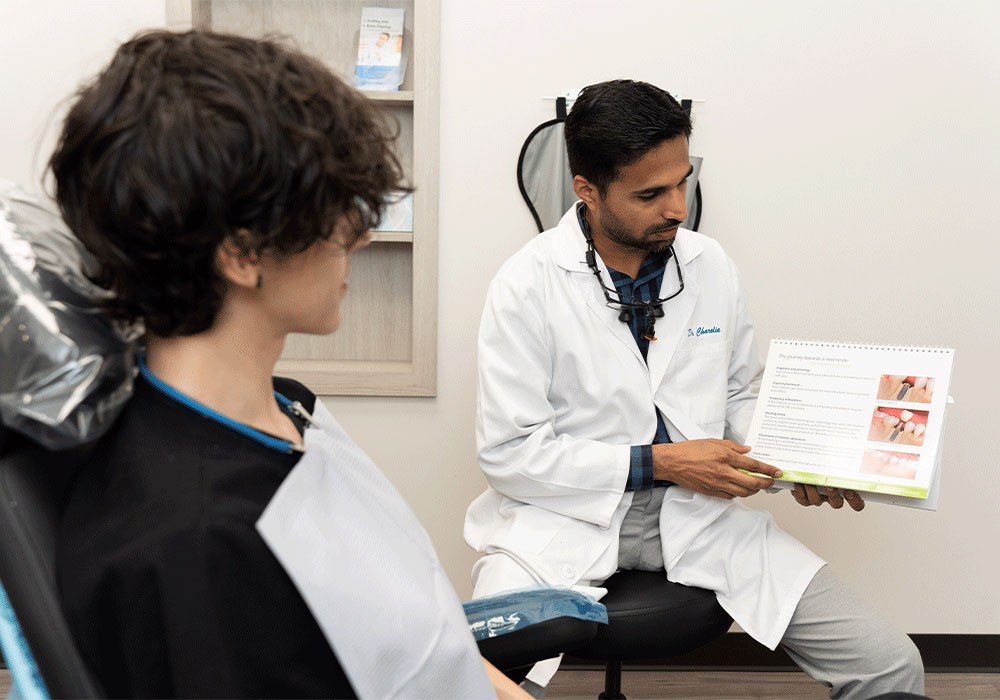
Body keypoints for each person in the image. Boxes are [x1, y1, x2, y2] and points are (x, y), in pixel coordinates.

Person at [52, 29, 529, 700]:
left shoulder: (285, 409)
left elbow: (422, 636)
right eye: (335, 212)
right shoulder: (195, 546)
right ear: (243, 251)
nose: (360, 237)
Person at [464, 79, 924, 699]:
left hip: (699, 523)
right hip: (560, 523)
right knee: (465, 684)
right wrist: (659, 462)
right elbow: (509, 454)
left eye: (683, 181)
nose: (677, 207)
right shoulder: (526, 284)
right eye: (651, 193)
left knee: (889, 664)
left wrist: (804, 461)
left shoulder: (709, 266)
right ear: (587, 191)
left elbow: (739, 396)